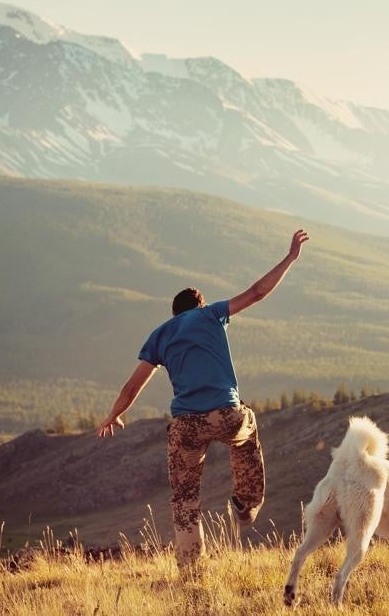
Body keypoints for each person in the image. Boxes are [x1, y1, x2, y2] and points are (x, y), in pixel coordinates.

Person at [96, 229, 310, 570]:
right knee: (246, 433)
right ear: (201, 306)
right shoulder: (212, 315)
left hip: (187, 425)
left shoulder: (160, 335)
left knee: (184, 498)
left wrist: (113, 415)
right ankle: (246, 503)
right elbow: (257, 292)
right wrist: (290, 258)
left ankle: (191, 568)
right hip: (226, 414)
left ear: (174, 313)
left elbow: (131, 388)